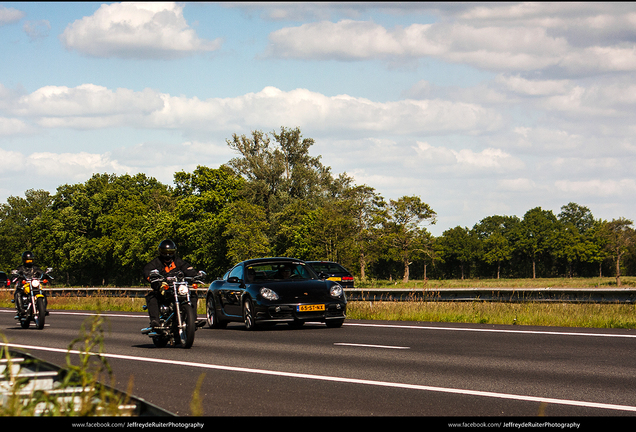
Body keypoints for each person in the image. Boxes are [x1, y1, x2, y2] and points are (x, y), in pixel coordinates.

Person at [142, 239, 200, 328]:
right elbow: (147, 270)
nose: (167, 255)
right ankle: (155, 321)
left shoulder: (178, 261)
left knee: (192, 295)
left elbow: (188, 269)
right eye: (165, 252)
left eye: (170, 252)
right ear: (160, 252)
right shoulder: (156, 262)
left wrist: (196, 275)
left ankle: (193, 319)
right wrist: (151, 277)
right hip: (163, 289)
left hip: (176, 288)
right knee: (152, 297)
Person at [12, 251, 47, 316]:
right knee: (18, 293)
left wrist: (45, 275)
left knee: (43, 293)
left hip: (34, 284)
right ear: (24, 260)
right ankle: (21, 310)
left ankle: (43, 309)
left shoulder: (35, 268)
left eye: (31, 260)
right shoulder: (20, 268)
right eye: (28, 260)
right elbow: (15, 274)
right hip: (24, 285)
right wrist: (17, 276)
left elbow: (41, 272)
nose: (29, 262)